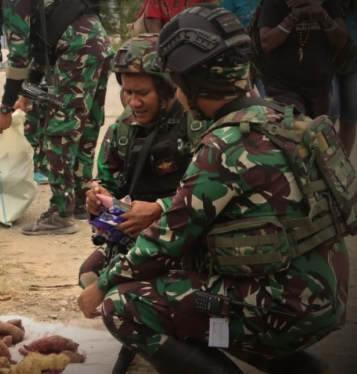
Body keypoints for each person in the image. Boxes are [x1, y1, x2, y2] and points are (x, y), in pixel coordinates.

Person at [78, 4, 349, 373]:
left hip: (286, 306)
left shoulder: (225, 145)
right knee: (185, 289)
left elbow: (166, 238)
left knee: (123, 305)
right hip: (321, 295)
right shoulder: (280, 119)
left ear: (189, 83)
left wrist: (101, 286)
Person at [79, 33, 209, 374]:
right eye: (126, 92)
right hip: (137, 237)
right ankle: (139, 338)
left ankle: (185, 344)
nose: (133, 102)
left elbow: (212, 196)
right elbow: (105, 178)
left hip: (188, 238)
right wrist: (96, 197)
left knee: (137, 291)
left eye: (142, 93)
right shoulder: (122, 129)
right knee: (90, 275)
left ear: (166, 89)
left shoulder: (196, 126)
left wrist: (160, 209)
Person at [0, 0, 113, 235]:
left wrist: (5, 110)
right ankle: (78, 199)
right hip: (99, 45)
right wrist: (25, 94)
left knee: (59, 131)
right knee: (84, 126)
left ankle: (60, 213)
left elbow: (18, 59)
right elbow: (40, 51)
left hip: (76, 49)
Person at [257, 0, 348, 117]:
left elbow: (341, 41)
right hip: (282, 86)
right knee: (296, 130)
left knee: (317, 133)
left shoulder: (327, 2)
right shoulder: (275, 3)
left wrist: (323, 15)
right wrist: (293, 18)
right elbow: (266, 43)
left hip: (320, 88)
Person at [221, 0, 266, 97]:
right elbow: (226, 28)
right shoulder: (230, 2)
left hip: (263, 55)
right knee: (244, 98)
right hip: (240, 55)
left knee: (266, 97)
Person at [330, 2, 357, 156]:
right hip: (326, 56)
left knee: (350, 115)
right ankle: (321, 167)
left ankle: (342, 168)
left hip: (354, 56)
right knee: (330, 112)